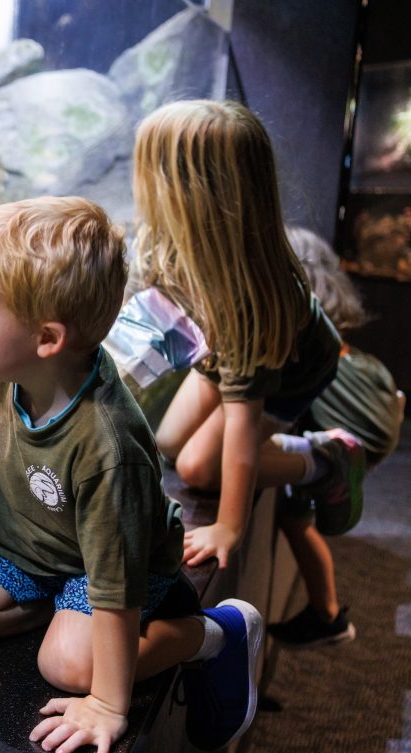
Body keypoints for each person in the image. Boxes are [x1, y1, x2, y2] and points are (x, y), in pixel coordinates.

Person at [0, 196, 262, 753]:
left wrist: (107, 702)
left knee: (67, 666)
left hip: (116, 567)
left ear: (46, 338)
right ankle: (65, 616)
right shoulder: (7, 375)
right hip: (35, 551)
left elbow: (115, 586)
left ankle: (213, 633)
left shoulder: (106, 444)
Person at [134, 100, 364, 571]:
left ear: (188, 193)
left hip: (289, 371)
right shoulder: (172, 245)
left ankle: (325, 457)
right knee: (169, 442)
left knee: (199, 468)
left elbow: (243, 420)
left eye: (152, 171)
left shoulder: (247, 300)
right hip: (224, 356)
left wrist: (229, 526)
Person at [267, 227, 405, 648]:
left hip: (348, 419)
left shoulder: (300, 313)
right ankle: (325, 613)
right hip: (376, 397)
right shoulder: (332, 309)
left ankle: (326, 612)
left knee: (295, 507)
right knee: (296, 507)